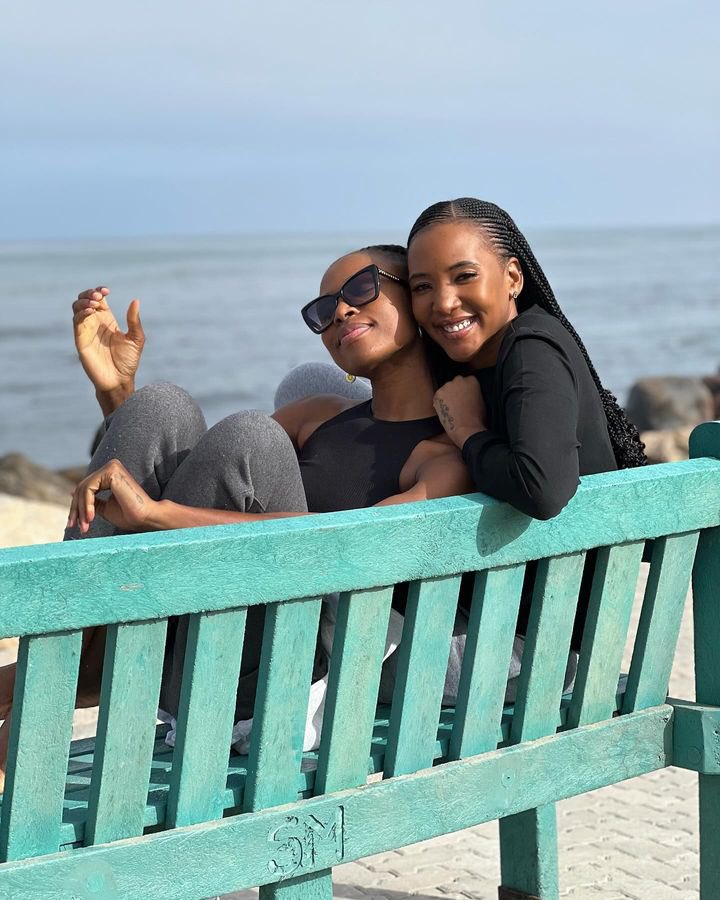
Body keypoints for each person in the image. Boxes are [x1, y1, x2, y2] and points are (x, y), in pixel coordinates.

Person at [0, 245, 472, 788]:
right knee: (162, 404)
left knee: (251, 434)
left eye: (362, 289)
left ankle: (48, 679)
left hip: (280, 679)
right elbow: (203, 483)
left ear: (417, 296)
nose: (339, 312)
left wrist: (158, 516)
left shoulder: (443, 454)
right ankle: (60, 671)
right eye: (323, 309)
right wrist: (117, 396)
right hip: (191, 650)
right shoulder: (317, 416)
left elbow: (354, 552)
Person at [405, 197, 646, 651]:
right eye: (421, 287)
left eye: (464, 276)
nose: (444, 302)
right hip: (519, 634)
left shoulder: (531, 346)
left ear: (513, 277)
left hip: (534, 653)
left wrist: (468, 432)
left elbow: (542, 489)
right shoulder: (495, 362)